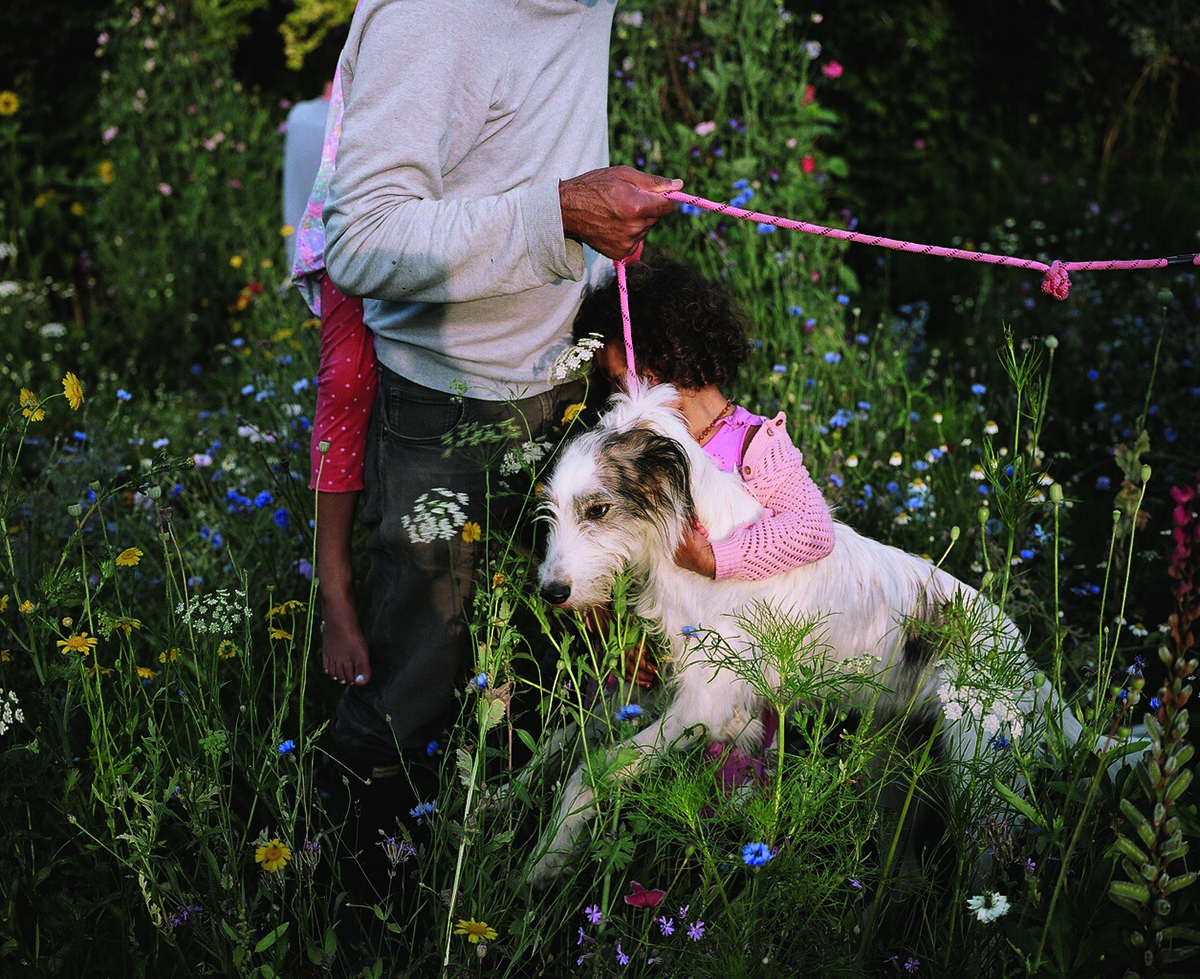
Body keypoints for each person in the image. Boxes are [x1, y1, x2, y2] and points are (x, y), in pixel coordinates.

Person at [314, 0, 681, 792]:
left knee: (546, 683)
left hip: (572, 392)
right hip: (445, 409)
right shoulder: (429, 17)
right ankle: (348, 888)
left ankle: (504, 883)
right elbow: (360, 239)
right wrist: (556, 213)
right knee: (412, 693)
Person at [575, 255, 837, 584]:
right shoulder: (641, 453)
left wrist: (713, 558)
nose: (614, 400)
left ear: (655, 370)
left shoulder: (754, 445)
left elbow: (813, 530)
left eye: (619, 382)